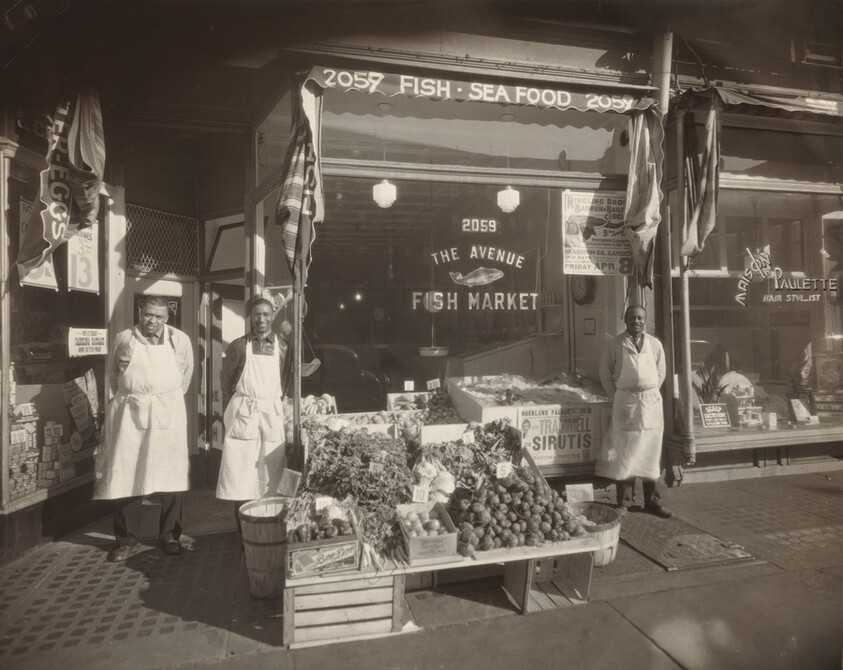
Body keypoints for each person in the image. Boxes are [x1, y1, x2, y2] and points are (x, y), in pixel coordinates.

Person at [94, 296, 195, 561]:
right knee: (127, 473)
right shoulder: (124, 338)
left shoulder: (179, 340)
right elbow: (113, 377)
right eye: (148, 314)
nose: (152, 321)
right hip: (131, 413)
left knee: (171, 474)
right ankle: (126, 541)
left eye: (158, 317)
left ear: (167, 318)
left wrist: (164, 399)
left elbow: (185, 375)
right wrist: (134, 398)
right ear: (140, 311)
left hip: (167, 412)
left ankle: (170, 534)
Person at [216, 297, 291, 526]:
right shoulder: (238, 346)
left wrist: (277, 407)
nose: (262, 319)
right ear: (251, 316)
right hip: (244, 415)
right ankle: (243, 527)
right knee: (241, 473)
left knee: (272, 470)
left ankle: (271, 522)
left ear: (272, 316)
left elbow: (287, 382)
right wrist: (235, 411)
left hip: (271, 415)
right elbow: (226, 381)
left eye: (266, 314)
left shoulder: (283, 347)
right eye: (257, 314)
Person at [598, 304, 673, 518]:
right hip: (626, 403)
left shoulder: (655, 344)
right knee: (626, 453)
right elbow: (605, 374)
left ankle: (653, 502)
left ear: (646, 320)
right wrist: (620, 396)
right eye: (632, 318)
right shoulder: (614, 345)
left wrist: (646, 391)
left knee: (651, 453)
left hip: (650, 404)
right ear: (625, 321)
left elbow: (661, 373)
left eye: (640, 318)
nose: (636, 322)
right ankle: (624, 502)